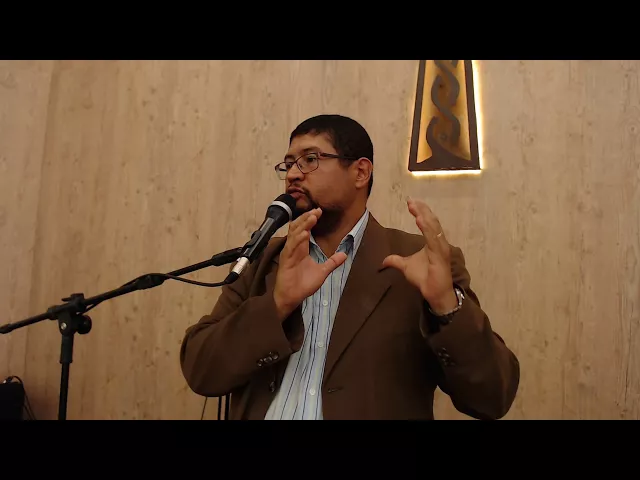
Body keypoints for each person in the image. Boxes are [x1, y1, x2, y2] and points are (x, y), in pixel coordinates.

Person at [180, 114, 520, 420]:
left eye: (310, 159)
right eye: (289, 164)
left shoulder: (417, 259)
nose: (294, 174)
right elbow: (201, 371)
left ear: (360, 172)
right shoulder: (264, 260)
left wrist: (446, 306)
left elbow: (492, 398)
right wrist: (277, 304)